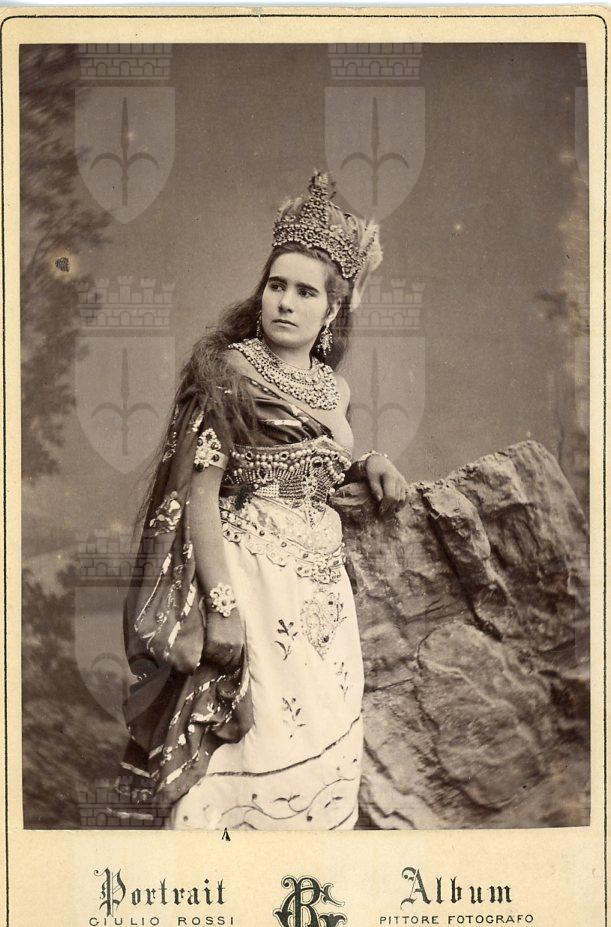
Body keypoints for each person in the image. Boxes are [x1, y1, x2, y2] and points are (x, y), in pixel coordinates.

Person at [117, 171, 408, 830]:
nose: (286, 302)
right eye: (277, 285)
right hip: (251, 580)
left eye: (306, 291)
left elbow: (315, 465)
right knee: (254, 746)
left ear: (332, 310)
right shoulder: (228, 373)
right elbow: (199, 493)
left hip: (321, 593)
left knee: (321, 747)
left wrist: (370, 461)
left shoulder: (333, 389)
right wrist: (222, 609)